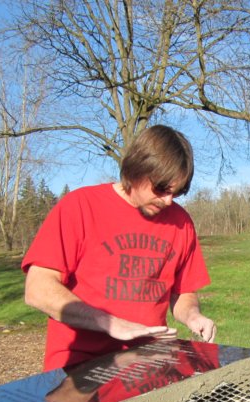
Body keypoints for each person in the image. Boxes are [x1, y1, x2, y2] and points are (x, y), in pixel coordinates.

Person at [23, 124, 216, 371]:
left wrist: (192, 316)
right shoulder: (80, 207)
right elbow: (38, 289)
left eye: (176, 193)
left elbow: (183, 292)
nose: (168, 201)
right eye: (161, 188)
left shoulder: (181, 222)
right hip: (80, 365)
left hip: (149, 362)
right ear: (136, 168)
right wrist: (110, 323)